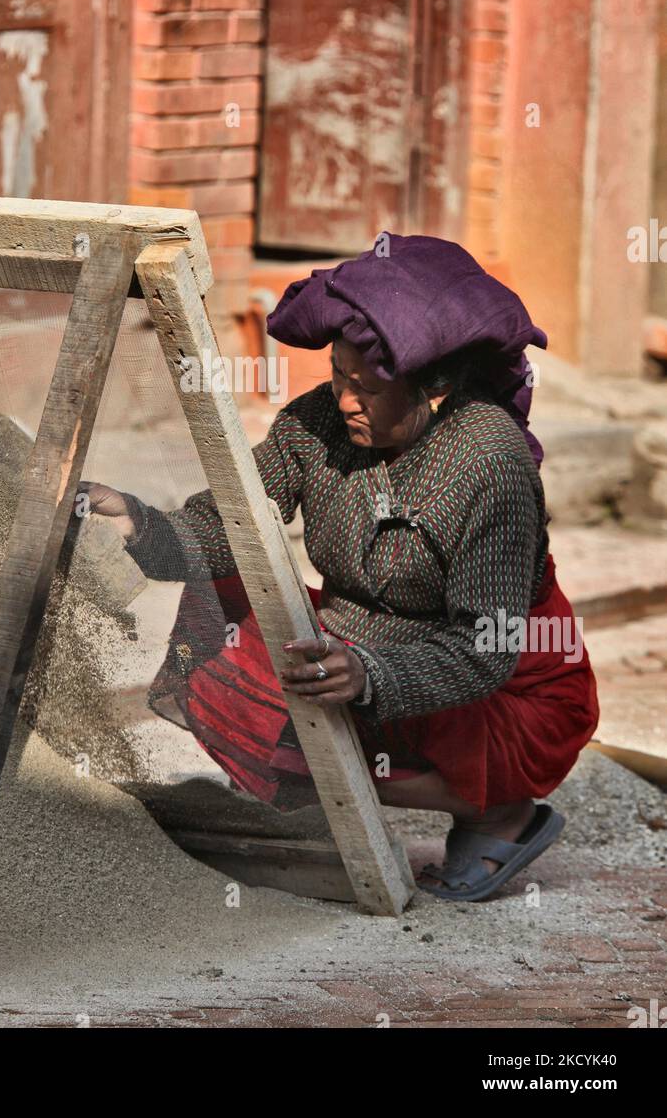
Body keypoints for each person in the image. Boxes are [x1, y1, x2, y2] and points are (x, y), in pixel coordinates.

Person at [85, 234, 599, 903]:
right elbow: (232, 525)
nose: (346, 399)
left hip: (501, 697)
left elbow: (484, 649)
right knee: (235, 624)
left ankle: (497, 808)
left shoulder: (488, 464)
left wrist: (371, 675)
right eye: (338, 375)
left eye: (369, 387)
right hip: (358, 652)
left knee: (313, 701)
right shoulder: (318, 424)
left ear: (435, 388)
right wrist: (139, 523)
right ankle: (334, 785)